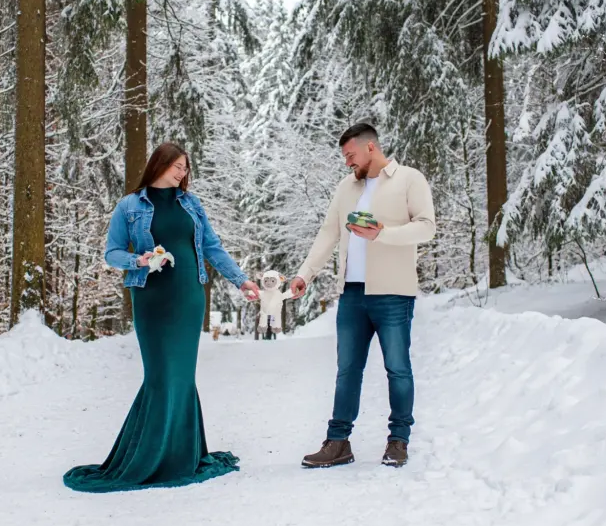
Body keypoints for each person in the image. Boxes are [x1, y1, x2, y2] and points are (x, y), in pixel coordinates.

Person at [64, 143, 260, 493]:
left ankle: (183, 456)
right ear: (160, 163)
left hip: (188, 297)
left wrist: (240, 279)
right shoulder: (130, 205)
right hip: (152, 297)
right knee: (159, 375)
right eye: (178, 166)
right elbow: (112, 252)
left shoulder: (192, 204)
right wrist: (138, 260)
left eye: (186, 168)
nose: (182, 173)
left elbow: (212, 247)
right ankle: (149, 457)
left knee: (182, 377)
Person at [291, 123, 435, 468]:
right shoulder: (347, 187)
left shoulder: (409, 179)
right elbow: (329, 232)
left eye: (350, 155)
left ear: (370, 148)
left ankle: (398, 440)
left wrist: (381, 233)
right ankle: (338, 442)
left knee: (398, 369)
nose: (347, 163)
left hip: (393, 293)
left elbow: (426, 226)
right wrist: (304, 273)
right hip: (352, 295)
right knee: (347, 370)